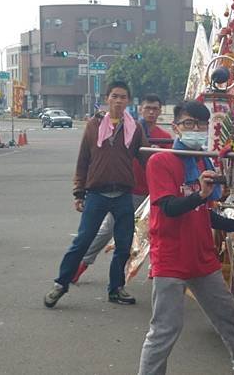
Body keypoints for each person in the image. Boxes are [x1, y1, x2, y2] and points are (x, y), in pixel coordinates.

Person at [137, 100, 234, 375]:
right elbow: (169, 208)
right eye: (189, 124)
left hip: (203, 258)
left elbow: (203, 212)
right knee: (165, 329)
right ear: (176, 128)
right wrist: (200, 194)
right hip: (171, 259)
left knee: (228, 317)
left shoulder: (202, 161)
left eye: (201, 125)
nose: (196, 129)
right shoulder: (162, 161)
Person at [44, 80, 149, 308]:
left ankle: (116, 289)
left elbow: (147, 160)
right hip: (96, 195)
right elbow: (83, 160)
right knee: (82, 242)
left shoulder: (135, 128)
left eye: (123, 97)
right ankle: (60, 284)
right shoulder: (93, 125)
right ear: (107, 99)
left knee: (123, 245)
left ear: (128, 101)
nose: (118, 100)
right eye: (114, 96)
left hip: (123, 195)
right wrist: (78, 193)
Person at [72, 93, 172, 283]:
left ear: (160, 111)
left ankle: (156, 269)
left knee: (157, 231)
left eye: (155, 109)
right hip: (127, 192)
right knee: (107, 230)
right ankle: (81, 264)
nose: (151, 112)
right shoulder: (127, 129)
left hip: (153, 193)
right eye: (147, 108)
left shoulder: (165, 137)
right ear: (140, 109)